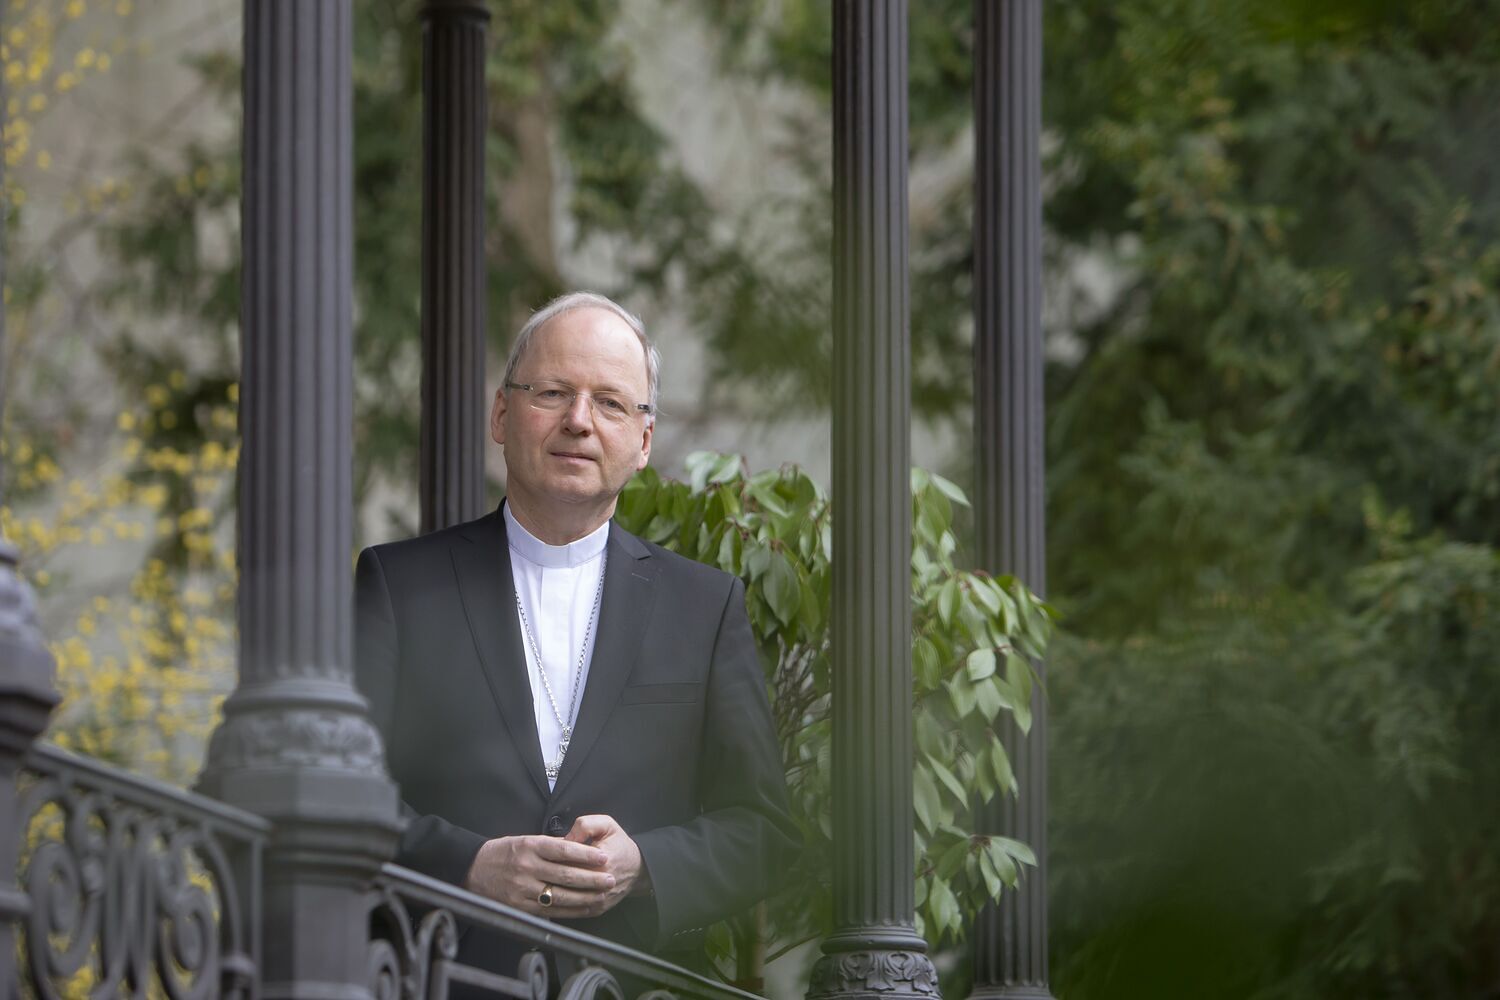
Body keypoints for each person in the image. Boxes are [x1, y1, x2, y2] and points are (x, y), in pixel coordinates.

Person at [354, 292, 798, 980]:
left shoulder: (705, 608)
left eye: (611, 403)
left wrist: (645, 865)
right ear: (502, 415)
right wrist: (468, 865)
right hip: (440, 977)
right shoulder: (399, 585)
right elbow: (343, 790)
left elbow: (764, 832)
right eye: (553, 392)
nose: (579, 421)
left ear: (643, 442)